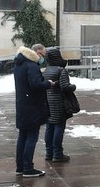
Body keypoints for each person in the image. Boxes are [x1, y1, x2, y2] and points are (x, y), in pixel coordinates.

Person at [14, 43, 54, 177]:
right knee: (32, 136)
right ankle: (27, 168)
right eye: (43, 54)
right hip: (32, 107)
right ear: (37, 52)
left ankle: (20, 166)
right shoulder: (31, 65)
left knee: (23, 136)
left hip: (23, 105)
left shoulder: (20, 63)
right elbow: (35, 84)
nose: (43, 58)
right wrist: (48, 84)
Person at [42, 47, 76, 163]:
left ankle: (49, 152)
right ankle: (57, 153)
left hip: (48, 102)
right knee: (58, 127)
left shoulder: (46, 70)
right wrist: (73, 87)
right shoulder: (61, 70)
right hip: (59, 103)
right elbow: (65, 87)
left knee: (49, 127)